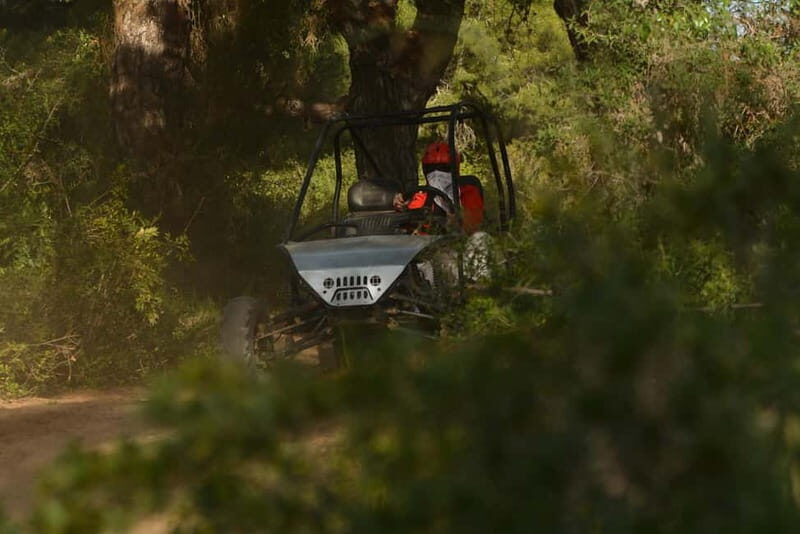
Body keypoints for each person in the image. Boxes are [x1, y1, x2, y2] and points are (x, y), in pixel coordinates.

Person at [393, 141, 484, 233]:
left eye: (443, 168)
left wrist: (456, 219)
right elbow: (408, 222)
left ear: (454, 169)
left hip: (460, 239)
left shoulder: (468, 190)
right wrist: (401, 207)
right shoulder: (422, 196)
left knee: (479, 237)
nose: (436, 174)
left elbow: (473, 224)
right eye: (430, 168)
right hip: (430, 241)